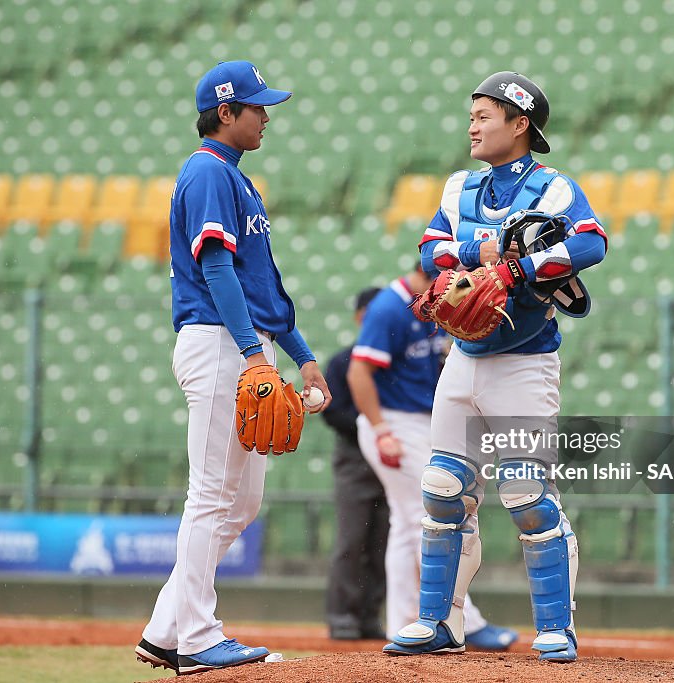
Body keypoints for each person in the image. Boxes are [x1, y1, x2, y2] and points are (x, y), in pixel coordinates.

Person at [382, 72, 607, 661]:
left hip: (525, 363)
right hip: (464, 359)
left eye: (484, 114)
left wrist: (514, 271)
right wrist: (485, 253)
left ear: (520, 123)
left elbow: (589, 242)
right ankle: (439, 622)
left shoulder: (554, 188)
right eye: (472, 114)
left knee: (527, 490)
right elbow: (431, 250)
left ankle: (557, 627)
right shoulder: (460, 188)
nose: (473, 125)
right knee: (442, 489)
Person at [134, 60, 331, 676]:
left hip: (243, 338)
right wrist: (253, 354)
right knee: (212, 496)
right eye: (257, 107)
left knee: (240, 502)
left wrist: (304, 359)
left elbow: (262, 286)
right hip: (221, 342)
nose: (266, 116)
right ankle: (195, 636)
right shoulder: (207, 172)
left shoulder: (238, 181)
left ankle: (167, 628)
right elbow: (217, 269)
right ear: (226, 112)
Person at [347, 264, 518, 651]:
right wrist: (381, 431)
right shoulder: (391, 306)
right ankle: (464, 620)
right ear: (433, 276)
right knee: (430, 516)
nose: (457, 289)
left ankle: (404, 621)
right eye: (452, 280)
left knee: (408, 524)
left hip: (422, 419)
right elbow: (359, 373)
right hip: (394, 422)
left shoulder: (430, 303)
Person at [322, 286, 389, 641]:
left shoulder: (395, 358)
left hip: (392, 459)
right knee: (351, 541)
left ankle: (369, 616)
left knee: (383, 542)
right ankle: (342, 615)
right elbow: (332, 411)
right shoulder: (344, 360)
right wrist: (370, 428)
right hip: (354, 458)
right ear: (359, 316)